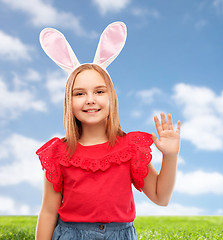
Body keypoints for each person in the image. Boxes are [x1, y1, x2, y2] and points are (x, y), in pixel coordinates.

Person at [35, 22, 181, 240]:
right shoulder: (58, 153)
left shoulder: (130, 148)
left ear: (111, 97)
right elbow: (48, 211)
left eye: (99, 91)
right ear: (69, 102)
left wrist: (170, 156)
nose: (91, 100)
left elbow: (161, 197)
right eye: (79, 94)